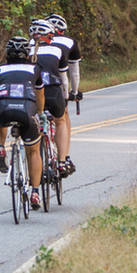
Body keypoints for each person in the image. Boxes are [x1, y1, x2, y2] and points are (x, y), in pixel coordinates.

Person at [0, 37, 45, 211]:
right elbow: (40, 96)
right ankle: (35, 192)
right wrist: (41, 114)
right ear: (27, 53)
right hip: (27, 110)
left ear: (7, 53)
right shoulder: (34, 69)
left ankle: (0, 147)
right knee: (34, 151)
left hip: (5, 108)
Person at [30, 18, 72, 187]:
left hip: (33, 93)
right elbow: (64, 80)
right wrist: (66, 96)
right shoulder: (56, 50)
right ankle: (61, 161)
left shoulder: (26, 50)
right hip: (53, 92)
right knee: (60, 121)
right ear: (50, 35)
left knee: (34, 125)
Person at [46, 12, 81, 176]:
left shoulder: (34, 42)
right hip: (57, 85)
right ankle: (64, 158)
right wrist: (73, 93)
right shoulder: (70, 42)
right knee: (63, 117)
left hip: (36, 84)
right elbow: (73, 74)